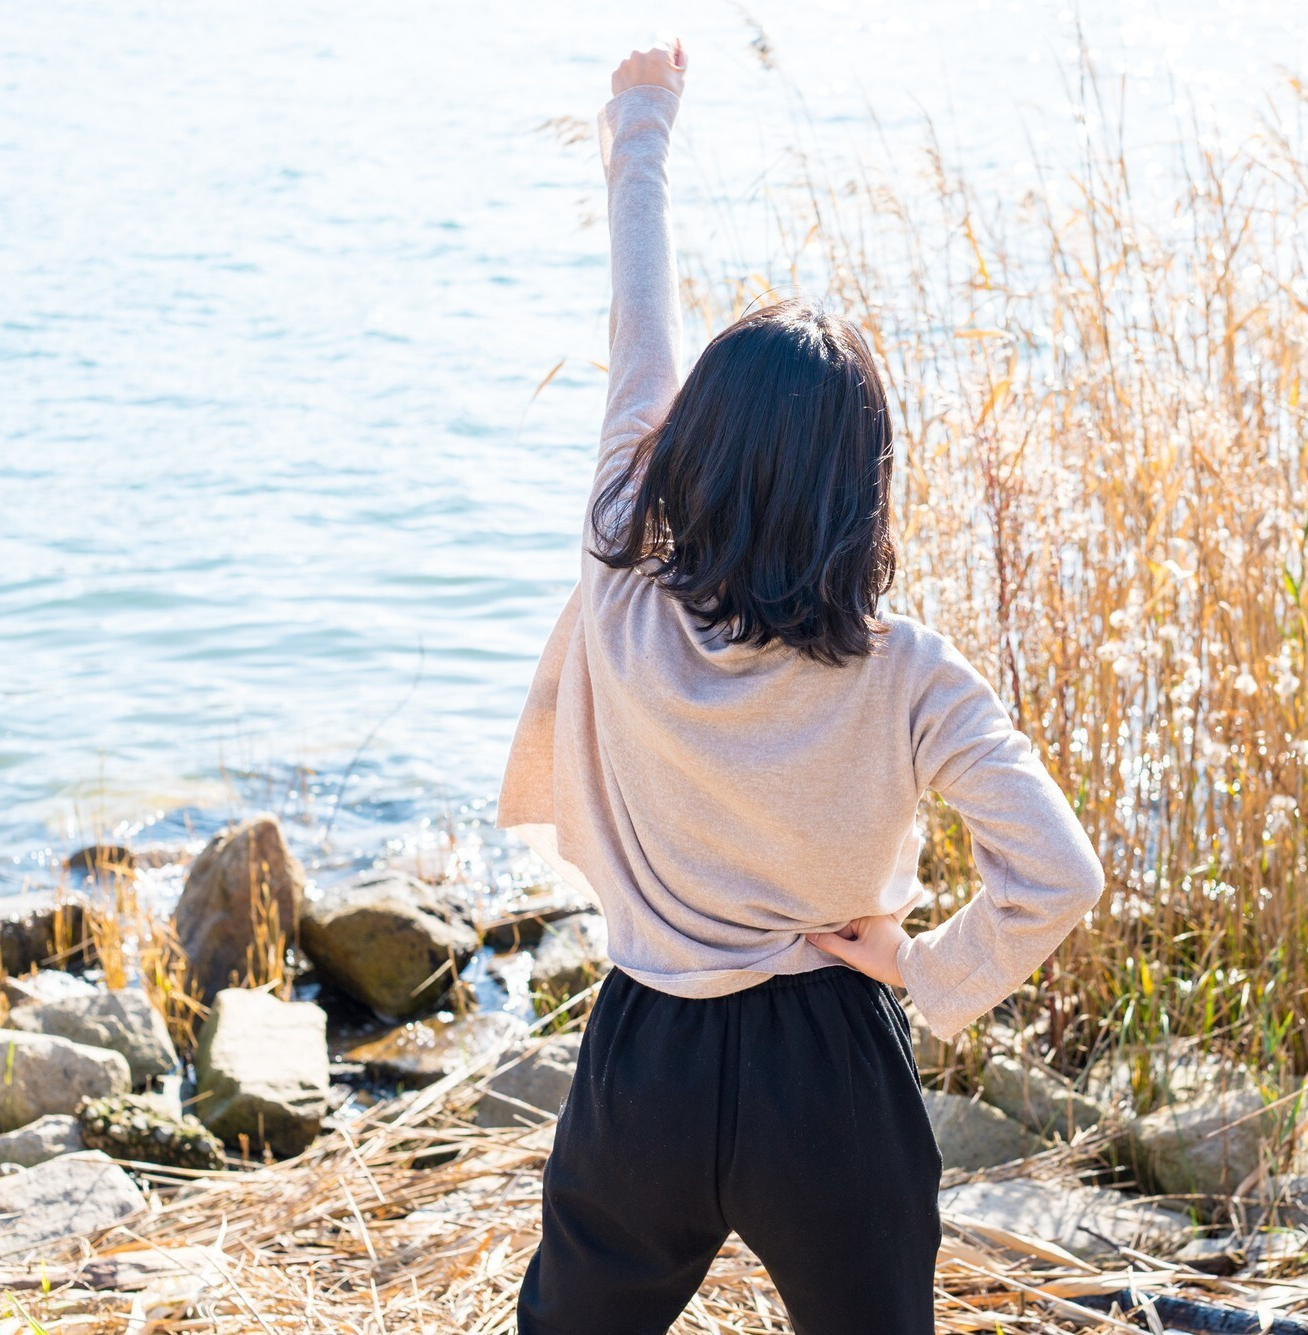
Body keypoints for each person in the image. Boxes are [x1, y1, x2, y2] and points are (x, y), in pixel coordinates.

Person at [500, 39, 1105, 1335]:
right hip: (830, 1058)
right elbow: (1060, 875)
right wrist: (932, 971)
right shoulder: (911, 672)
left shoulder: (621, 579)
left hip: (648, 1049)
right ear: (865, 490)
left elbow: (639, 329)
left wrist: (643, 123)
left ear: (685, 456)